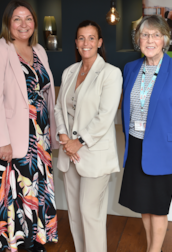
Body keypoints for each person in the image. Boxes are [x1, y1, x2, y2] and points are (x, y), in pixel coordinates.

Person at [0, 0, 59, 252]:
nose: (24, 24)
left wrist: (51, 131)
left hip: (38, 137)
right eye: (17, 19)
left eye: (29, 19)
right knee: (8, 195)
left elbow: (45, 92)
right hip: (8, 139)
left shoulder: (39, 51)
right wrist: (2, 141)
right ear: (8, 24)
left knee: (34, 192)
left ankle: (33, 241)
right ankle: (7, 244)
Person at [119, 15, 172, 252]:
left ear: (165, 39)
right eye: (144, 35)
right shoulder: (131, 68)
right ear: (138, 40)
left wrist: (171, 142)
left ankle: (154, 250)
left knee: (159, 207)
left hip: (163, 149)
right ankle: (154, 247)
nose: (149, 40)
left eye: (155, 35)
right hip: (136, 146)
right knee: (143, 205)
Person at [54, 20, 122, 252]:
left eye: (91, 38)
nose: (86, 43)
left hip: (93, 153)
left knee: (89, 212)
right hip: (69, 152)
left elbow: (105, 116)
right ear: (76, 42)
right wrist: (63, 136)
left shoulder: (111, 74)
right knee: (74, 211)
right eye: (81, 38)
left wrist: (78, 142)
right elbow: (58, 108)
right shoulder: (69, 72)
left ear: (100, 42)